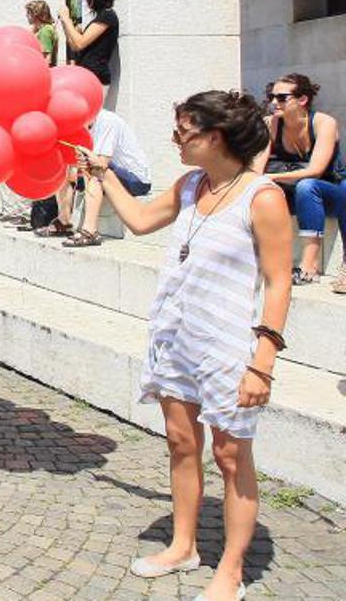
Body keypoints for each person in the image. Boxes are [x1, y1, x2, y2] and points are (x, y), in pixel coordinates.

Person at [81, 90, 289, 601]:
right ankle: (183, 545)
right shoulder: (191, 185)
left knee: (231, 455)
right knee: (180, 442)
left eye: (183, 131)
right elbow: (139, 220)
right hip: (175, 337)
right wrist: (102, 173)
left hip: (228, 346)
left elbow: (279, 281)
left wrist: (262, 363)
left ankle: (232, 571)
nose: (175, 139)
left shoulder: (261, 196)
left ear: (214, 136)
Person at [252, 73, 346, 287]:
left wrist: (270, 177)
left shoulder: (324, 123)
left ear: (302, 100)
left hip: (333, 193)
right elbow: (257, 167)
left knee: (307, 185)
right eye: (271, 96)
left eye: (282, 97)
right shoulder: (272, 124)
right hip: (298, 197)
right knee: (259, 190)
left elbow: (316, 170)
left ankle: (309, 266)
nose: (274, 102)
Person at [58, 108, 153, 247]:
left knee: (96, 171)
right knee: (62, 171)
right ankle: (64, 223)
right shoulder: (83, 128)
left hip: (136, 180)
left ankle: (90, 231)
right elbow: (76, 170)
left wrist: (82, 168)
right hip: (112, 174)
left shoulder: (107, 121)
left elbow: (101, 164)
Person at [59, 0, 119, 92]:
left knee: (92, 111)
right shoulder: (100, 16)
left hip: (96, 77)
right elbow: (74, 46)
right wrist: (66, 25)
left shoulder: (108, 15)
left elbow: (80, 43)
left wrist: (67, 20)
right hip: (86, 77)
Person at [26, 0, 58, 66]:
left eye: (28, 13)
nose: (26, 15)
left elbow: (46, 58)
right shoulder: (42, 29)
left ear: (36, 14)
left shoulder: (45, 31)